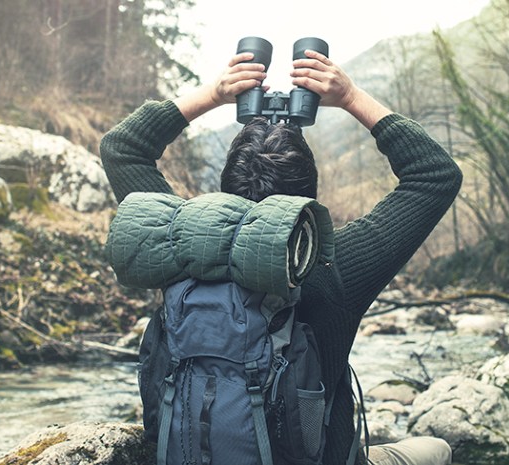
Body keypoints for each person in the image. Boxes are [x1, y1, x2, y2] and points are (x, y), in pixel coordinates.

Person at [100, 48, 462, 465]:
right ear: (309, 200)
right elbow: (435, 173)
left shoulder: (179, 244)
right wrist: (350, 96)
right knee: (437, 449)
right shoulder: (333, 264)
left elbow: (122, 147)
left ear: (225, 187)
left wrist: (214, 94)